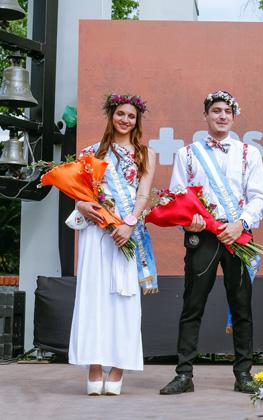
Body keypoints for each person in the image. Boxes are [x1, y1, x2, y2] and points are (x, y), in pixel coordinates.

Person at [159, 91, 263, 395]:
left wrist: (241, 223)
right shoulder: (188, 154)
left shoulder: (249, 153)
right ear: (206, 115)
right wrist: (189, 219)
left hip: (238, 236)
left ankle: (243, 373)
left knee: (242, 306)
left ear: (234, 117)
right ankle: (184, 374)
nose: (222, 116)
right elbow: (178, 195)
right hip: (202, 237)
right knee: (192, 304)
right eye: (216, 110)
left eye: (227, 112)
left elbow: (259, 196)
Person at [69, 94, 157, 396]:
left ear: (137, 120)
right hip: (97, 234)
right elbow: (80, 193)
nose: (125, 120)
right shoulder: (91, 152)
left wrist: (130, 222)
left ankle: (119, 366)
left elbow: (144, 194)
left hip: (127, 232)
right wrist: (81, 206)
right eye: (120, 114)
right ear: (112, 116)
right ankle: (94, 366)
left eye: (131, 116)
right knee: (94, 298)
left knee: (125, 299)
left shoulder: (146, 154)